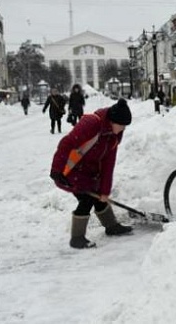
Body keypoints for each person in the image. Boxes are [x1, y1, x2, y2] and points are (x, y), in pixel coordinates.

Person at [49, 98, 134, 249]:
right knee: (86, 199)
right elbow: (66, 143)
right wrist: (56, 170)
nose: (123, 129)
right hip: (69, 170)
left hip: (89, 172)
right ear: (112, 121)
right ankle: (77, 238)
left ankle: (111, 226)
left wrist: (105, 191)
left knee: (99, 198)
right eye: (121, 125)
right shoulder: (92, 124)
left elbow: (108, 165)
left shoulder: (112, 137)